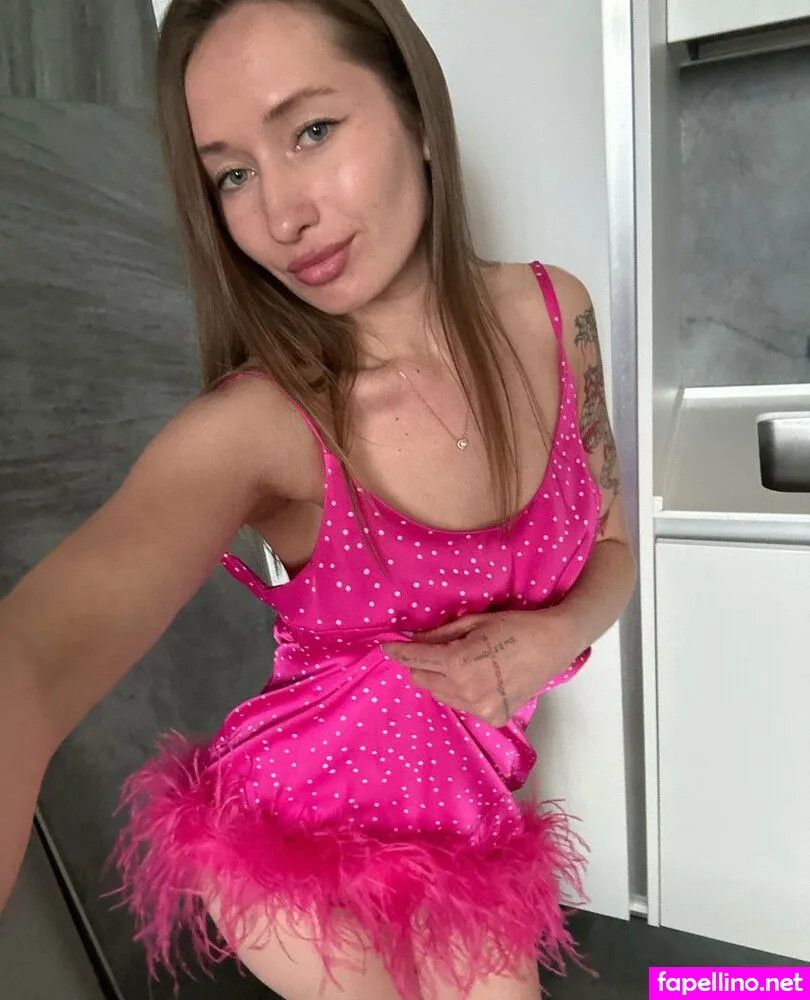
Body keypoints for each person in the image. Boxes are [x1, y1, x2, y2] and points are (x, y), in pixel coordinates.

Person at [0, 0, 637, 998]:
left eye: (311, 130)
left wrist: (548, 639)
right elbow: (32, 660)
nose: (280, 217)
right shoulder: (259, 427)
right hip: (288, 845)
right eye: (232, 175)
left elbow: (613, 546)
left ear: (416, 112)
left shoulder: (558, 313)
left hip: (471, 825)